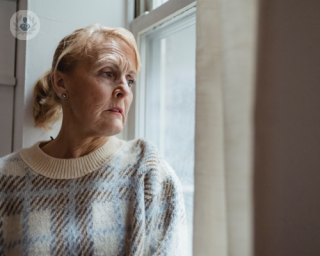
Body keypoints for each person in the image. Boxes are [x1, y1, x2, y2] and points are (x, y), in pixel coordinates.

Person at [0, 24, 188, 256]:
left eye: (130, 80)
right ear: (61, 83)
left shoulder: (149, 174)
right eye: (108, 73)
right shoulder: (6, 178)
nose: (124, 90)